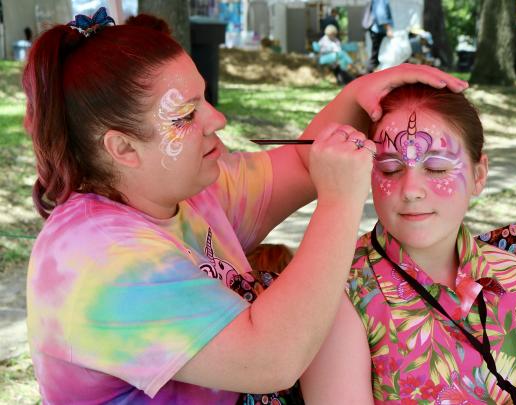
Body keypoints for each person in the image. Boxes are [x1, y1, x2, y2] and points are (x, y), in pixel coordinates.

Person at [23, 7, 467, 404]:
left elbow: (298, 160)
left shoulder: (186, 191)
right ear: (122, 148)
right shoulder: (97, 261)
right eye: (187, 115)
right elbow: (271, 359)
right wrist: (339, 201)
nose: (218, 119)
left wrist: (360, 94)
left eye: (206, 98)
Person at [300, 84, 516, 404]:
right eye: (391, 169)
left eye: (436, 168)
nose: (411, 189)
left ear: (479, 175)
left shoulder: (514, 278)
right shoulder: (342, 293)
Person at [364, 0, 393, 73]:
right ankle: (369, 79)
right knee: (377, 58)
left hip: (377, 31)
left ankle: (370, 77)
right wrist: (388, 29)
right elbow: (381, 15)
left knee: (376, 57)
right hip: (379, 31)